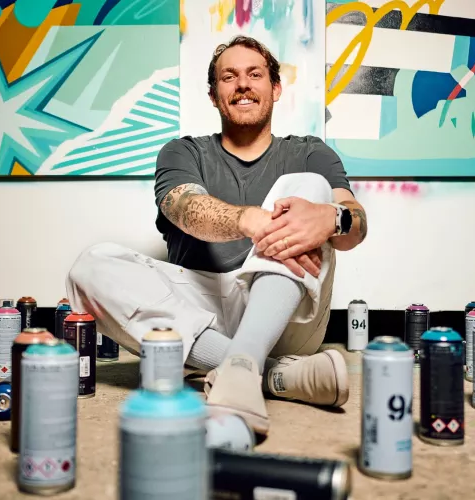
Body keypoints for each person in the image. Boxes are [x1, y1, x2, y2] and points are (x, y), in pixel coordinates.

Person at [66, 35, 368, 436]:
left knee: (312, 187)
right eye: (229, 76)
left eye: (255, 74)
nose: (242, 84)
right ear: (213, 94)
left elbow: (354, 225)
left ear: (275, 88)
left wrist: (333, 219)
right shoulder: (182, 152)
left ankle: (242, 363)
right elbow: (184, 208)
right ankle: (267, 373)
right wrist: (249, 220)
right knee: (89, 267)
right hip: (199, 313)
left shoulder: (310, 152)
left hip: (286, 311)